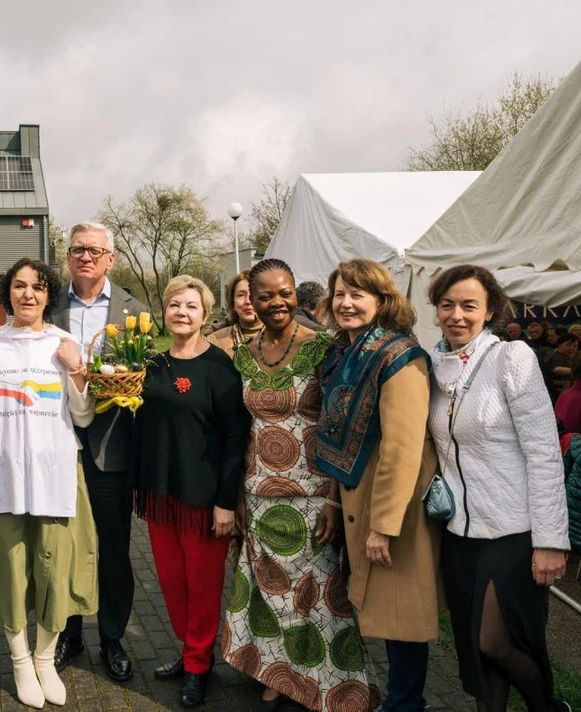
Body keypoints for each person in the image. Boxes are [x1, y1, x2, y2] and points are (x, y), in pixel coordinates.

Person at [0, 257, 96, 709]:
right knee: (9, 570)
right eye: (20, 286)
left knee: (55, 568)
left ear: (49, 295)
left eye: (38, 286)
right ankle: (20, 661)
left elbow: (83, 414)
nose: (28, 294)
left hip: (56, 473)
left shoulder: (65, 342)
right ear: (7, 293)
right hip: (4, 474)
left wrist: (76, 369)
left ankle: (46, 658)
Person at [223, 259, 375, 712]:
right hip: (258, 490)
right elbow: (240, 427)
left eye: (284, 292)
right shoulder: (243, 353)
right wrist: (236, 496)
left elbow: (340, 425)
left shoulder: (324, 349)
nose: (277, 303)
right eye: (265, 295)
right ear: (250, 298)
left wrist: (333, 496)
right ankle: (278, 675)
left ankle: (323, 683)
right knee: (269, 592)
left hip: (312, 493)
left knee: (318, 594)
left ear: (296, 293)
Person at [425, 264, 570, 712]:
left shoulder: (512, 358)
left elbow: (544, 452)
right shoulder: (433, 367)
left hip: (513, 529)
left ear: (489, 312)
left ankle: (547, 705)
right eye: (447, 305)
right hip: (458, 533)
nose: (457, 315)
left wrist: (550, 542)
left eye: (469, 305)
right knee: (473, 648)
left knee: (493, 642)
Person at [314, 259, 442, 712]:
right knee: (385, 611)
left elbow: (404, 449)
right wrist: (332, 499)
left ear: (382, 301)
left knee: (401, 611)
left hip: (394, 503)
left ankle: (406, 703)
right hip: (353, 494)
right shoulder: (343, 352)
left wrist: (383, 525)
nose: (346, 303)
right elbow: (335, 433)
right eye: (340, 294)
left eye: (358, 294)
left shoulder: (398, 355)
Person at [130, 274, 250, 708]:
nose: (182, 313)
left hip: (203, 498)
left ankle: (199, 664)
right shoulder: (153, 364)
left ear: (205, 315)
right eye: (175, 305)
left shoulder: (220, 368)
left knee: (202, 585)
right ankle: (188, 650)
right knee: (171, 581)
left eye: (191, 306)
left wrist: (224, 502)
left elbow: (235, 437)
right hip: (162, 494)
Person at [49, 221, 147, 681]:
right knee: (65, 545)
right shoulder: (47, 306)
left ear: (111, 258)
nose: (85, 257)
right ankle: (70, 634)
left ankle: (112, 636)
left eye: (95, 250)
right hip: (56, 444)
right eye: (77, 249)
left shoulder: (135, 310)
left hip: (110, 447)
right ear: (67, 257)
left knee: (112, 547)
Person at [207, 269, 262, 356]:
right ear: (232, 303)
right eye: (241, 295)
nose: (248, 301)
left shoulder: (283, 337)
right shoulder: (215, 341)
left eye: (254, 294)